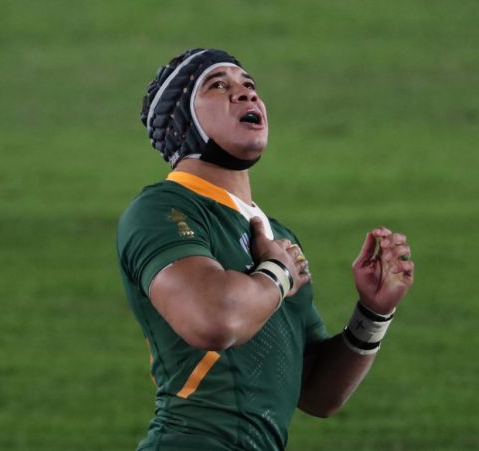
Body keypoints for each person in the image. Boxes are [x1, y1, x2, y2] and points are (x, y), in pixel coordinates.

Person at [116, 48, 414, 451]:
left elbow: (315, 393)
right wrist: (277, 274)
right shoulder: (162, 209)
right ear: (181, 120)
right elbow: (214, 320)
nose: (246, 94)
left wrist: (373, 312)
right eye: (218, 85)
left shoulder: (277, 236)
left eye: (249, 85)